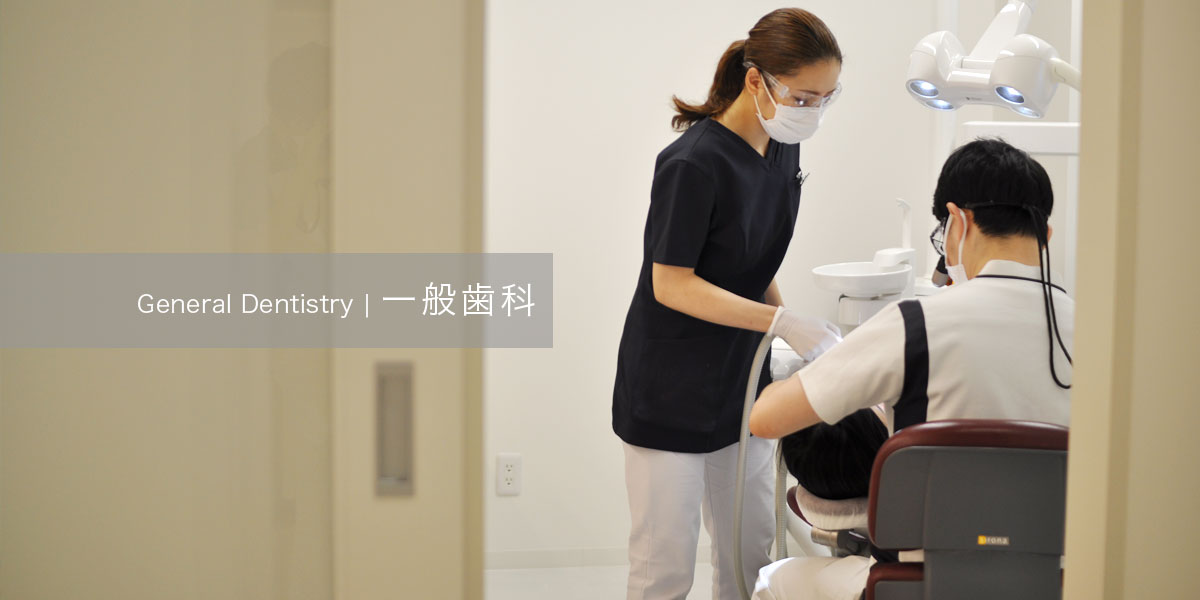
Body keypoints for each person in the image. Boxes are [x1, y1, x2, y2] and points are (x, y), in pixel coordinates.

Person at [747, 138, 1074, 600]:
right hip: (1055, 585)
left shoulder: (916, 324)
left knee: (772, 580)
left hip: (922, 586)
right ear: (1046, 235)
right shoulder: (1101, 339)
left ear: (957, 221)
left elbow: (765, 419)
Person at [611, 8, 845, 600]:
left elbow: (752, 255)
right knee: (664, 569)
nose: (812, 112)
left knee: (748, 558)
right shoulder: (691, 164)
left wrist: (790, 333)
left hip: (742, 386)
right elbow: (672, 283)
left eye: (826, 99)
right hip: (669, 390)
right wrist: (781, 322)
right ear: (755, 81)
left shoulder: (781, 148)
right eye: (803, 97)